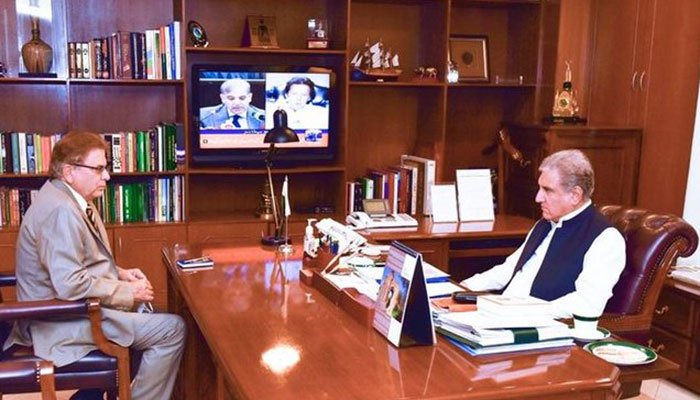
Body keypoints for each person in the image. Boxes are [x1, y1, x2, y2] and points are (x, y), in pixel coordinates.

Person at [3, 131, 186, 400]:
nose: (107, 176)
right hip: (60, 322)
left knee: (154, 314)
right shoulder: (61, 211)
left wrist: (120, 273)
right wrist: (127, 292)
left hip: (77, 311)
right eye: (98, 169)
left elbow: (76, 260)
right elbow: (70, 284)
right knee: (172, 329)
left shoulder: (68, 197)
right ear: (69, 171)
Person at [460, 149, 626, 318]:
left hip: (539, 324)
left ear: (575, 195)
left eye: (548, 190)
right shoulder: (544, 223)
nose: (538, 198)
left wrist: (522, 311)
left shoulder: (606, 238)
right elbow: (509, 269)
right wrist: (462, 287)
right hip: (499, 314)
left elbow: (587, 304)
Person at [200, 78, 265, 130]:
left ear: (249, 97)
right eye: (231, 98)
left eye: (242, 98)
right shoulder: (203, 116)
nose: (237, 103)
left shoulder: (265, 117)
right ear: (223, 98)